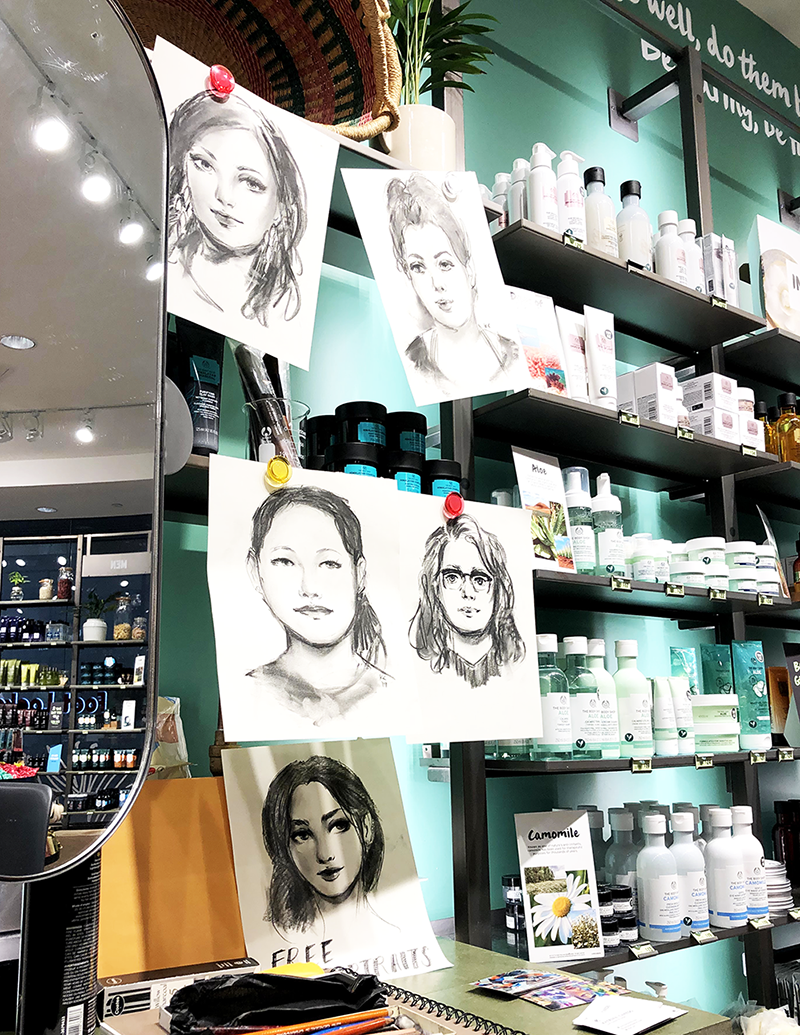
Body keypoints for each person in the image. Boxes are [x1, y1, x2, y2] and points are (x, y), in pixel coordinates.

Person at [246, 485, 389, 723]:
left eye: (330, 563)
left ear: (360, 573)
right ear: (255, 570)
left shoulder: (388, 693)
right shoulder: (248, 693)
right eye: (285, 561)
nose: (309, 588)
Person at [167, 89, 306, 327]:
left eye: (251, 183)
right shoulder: (167, 266)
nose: (223, 196)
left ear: (283, 207)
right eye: (204, 164)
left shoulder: (282, 310)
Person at [386, 173, 522, 395]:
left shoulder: (511, 356)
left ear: (469, 270)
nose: (437, 283)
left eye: (445, 263)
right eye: (418, 267)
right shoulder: (414, 360)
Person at [262, 755, 386, 934]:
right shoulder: (283, 935)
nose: (325, 854)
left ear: (366, 827)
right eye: (303, 835)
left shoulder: (396, 929)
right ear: (285, 849)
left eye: (338, 825)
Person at [409, 513, 525, 688]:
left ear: (498, 587)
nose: (468, 593)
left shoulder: (514, 667)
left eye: (480, 580)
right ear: (434, 585)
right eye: (452, 577)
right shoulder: (418, 669)